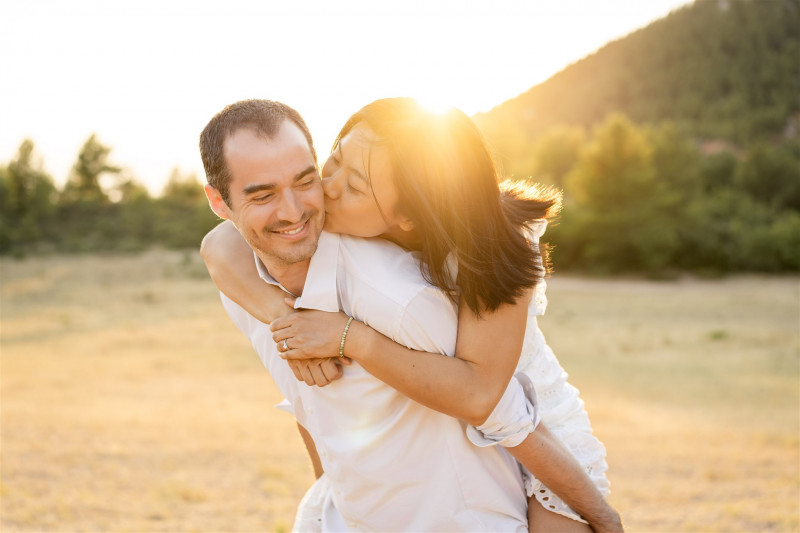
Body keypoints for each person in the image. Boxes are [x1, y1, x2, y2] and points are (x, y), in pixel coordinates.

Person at [200, 99, 622, 532]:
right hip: (484, 432)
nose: (327, 188)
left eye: (356, 185)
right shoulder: (322, 218)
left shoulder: (493, 249)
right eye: (335, 161)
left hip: (544, 434)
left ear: (405, 214)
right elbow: (220, 243)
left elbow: (484, 397)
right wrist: (286, 319)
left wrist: (352, 338)